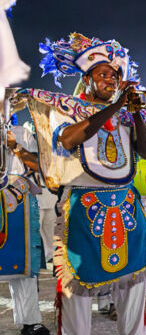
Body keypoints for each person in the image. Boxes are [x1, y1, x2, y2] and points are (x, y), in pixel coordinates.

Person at [18, 32, 146, 335]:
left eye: (115, 75)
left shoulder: (127, 114)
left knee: (133, 286)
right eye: (103, 74)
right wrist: (117, 106)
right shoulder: (66, 108)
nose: (111, 79)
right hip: (83, 208)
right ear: (87, 79)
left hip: (127, 206)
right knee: (77, 289)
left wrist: (134, 113)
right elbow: (69, 140)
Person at [0, 115, 50, 335]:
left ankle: (30, 321)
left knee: (24, 266)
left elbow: (38, 166)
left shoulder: (21, 132)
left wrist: (15, 146)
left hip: (16, 204)